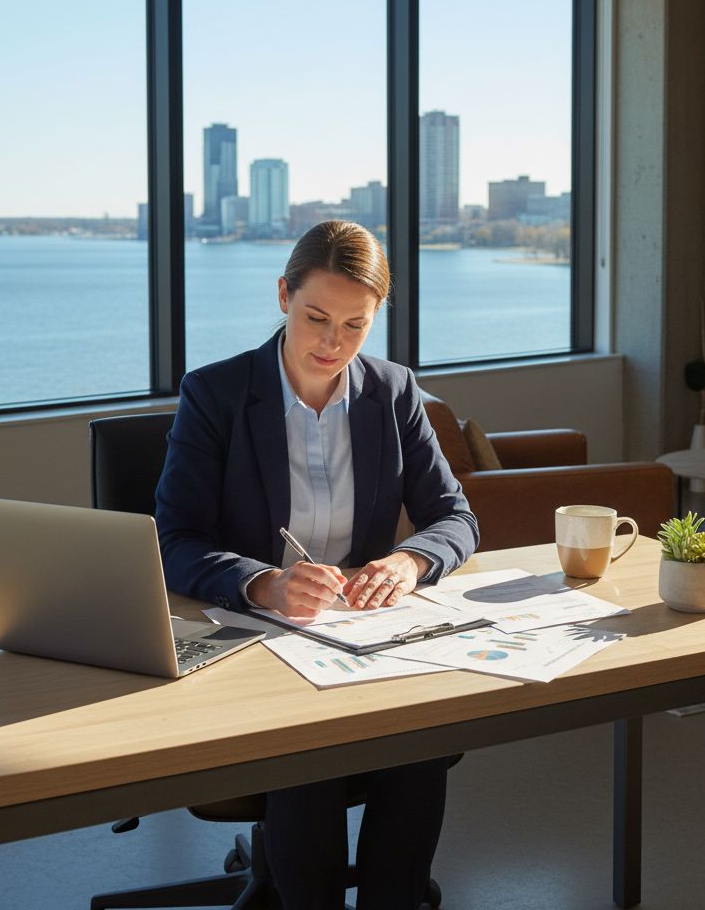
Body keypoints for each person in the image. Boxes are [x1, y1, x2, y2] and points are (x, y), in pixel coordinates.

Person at [155, 219, 479, 910]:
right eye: (316, 318)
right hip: (252, 639)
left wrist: (409, 561)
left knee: (421, 741)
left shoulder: (393, 391)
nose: (333, 343)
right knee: (309, 754)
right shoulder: (216, 394)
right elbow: (175, 539)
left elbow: (455, 517)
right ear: (284, 296)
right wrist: (263, 582)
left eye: (356, 325)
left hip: (360, 635)